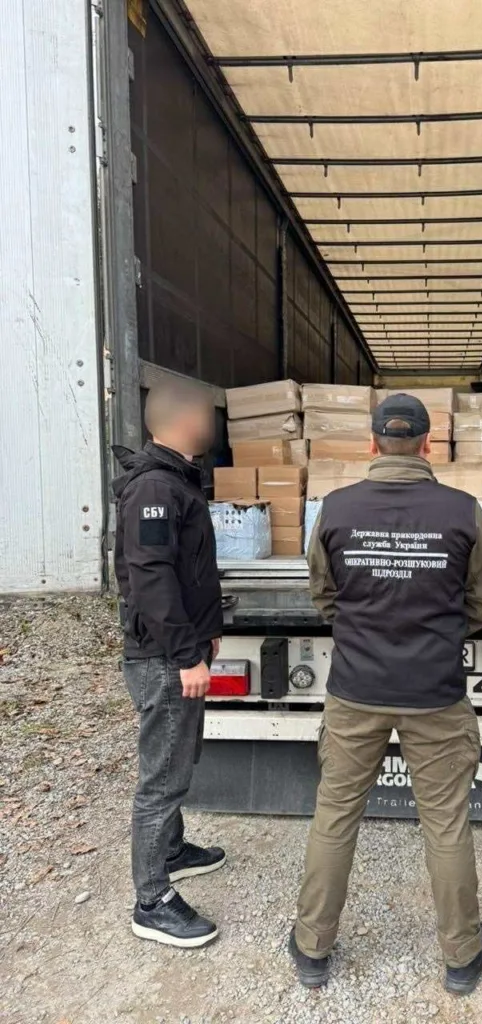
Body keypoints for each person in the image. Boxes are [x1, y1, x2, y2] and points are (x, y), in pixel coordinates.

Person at [290, 393, 482, 995]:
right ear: (429, 445)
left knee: (335, 814)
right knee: (446, 822)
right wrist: (436, 634)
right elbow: (480, 602)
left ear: (373, 444)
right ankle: (461, 954)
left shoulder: (336, 508)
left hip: (356, 687)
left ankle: (312, 947)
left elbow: (324, 595)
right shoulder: (463, 511)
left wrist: (364, 630)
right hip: (435, 691)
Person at [113, 380, 226, 948]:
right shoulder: (155, 487)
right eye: (206, 416)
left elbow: (188, 570)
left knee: (177, 759)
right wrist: (186, 653)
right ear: (183, 421)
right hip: (162, 657)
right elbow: (151, 577)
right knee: (162, 778)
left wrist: (207, 634)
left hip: (179, 649)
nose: (213, 425)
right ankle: (152, 901)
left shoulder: (177, 478)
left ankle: (173, 851)